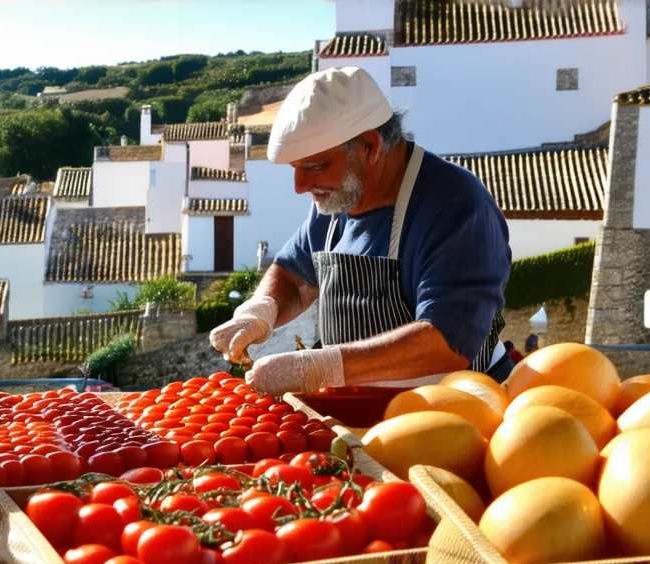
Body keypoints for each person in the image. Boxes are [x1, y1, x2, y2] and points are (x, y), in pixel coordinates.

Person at [210, 68, 512, 396]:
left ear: (369, 145)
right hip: (364, 417)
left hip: (453, 416)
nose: (299, 187)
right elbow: (295, 280)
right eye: (295, 170)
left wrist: (322, 367)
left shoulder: (457, 207)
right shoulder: (338, 199)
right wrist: (261, 309)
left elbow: (446, 345)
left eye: (313, 167)